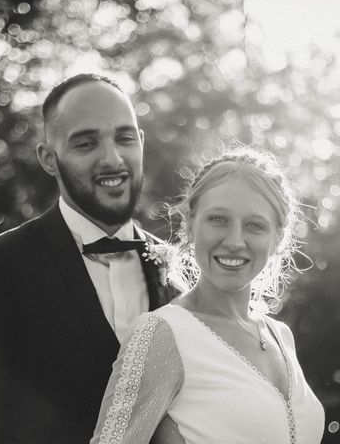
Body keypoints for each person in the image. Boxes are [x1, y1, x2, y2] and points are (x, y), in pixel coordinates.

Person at [0, 73, 177, 443]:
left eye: (124, 138)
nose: (113, 158)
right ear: (48, 158)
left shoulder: (180, 271)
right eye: (86, 143)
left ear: (140, 142)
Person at [91, 147, 325, 444]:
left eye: (255, 225)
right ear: (190, 224)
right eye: (218, 219)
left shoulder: (281, 335)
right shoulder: (162, 334)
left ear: (278, 237)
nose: (235, 241)